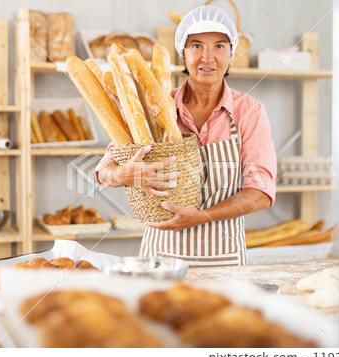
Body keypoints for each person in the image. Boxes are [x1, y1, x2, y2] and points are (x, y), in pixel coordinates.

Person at [96, 5, 277, 266]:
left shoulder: (249, 111)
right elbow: (104, 170)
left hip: (225, 264)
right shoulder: (153, 105)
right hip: (160, 262)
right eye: (196, 46)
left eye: (219, 46)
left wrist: (202, 216)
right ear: (182, 52)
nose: (207, 57)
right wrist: (122, 175)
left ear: (231, 53)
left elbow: (261, 192)